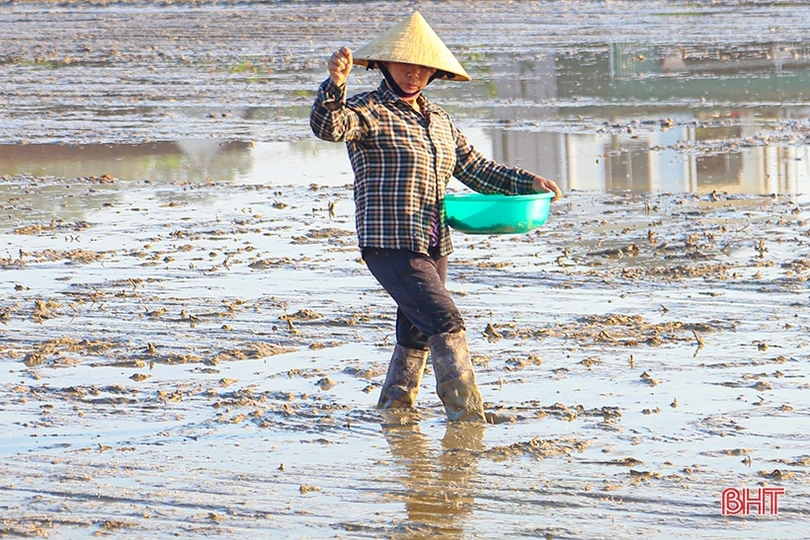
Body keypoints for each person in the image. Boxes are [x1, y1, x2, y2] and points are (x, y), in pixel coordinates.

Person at [310, 11, 562, 423]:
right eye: (406, 65)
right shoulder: (367, 110)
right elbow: (329, 126)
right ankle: (467, 418)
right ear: (384, 64)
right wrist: (335, 84)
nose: (414, 74)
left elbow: (476, 168)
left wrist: (528, 182)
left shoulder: (439, 119)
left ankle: (396, 408)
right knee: (446, 320)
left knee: (416, 328)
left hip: (433, 240)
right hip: (389, 242)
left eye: (423, 67)